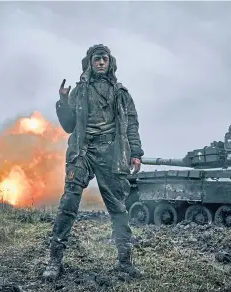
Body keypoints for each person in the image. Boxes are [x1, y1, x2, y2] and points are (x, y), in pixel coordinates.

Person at [43, 44, 144, 280]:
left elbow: (131, 125)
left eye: (104, 59)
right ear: (89, 63)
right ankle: (54, 261)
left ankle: (125, 263)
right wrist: (63, 101)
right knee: (68, 203)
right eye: (96, 59)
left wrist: (135, 152)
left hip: (111, 152)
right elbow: (69, 125)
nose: (100, 62)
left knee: (118, 207)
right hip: (83, 151)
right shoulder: (79, 91)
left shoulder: (121, 93)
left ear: (110, 63)